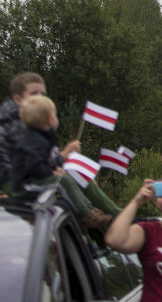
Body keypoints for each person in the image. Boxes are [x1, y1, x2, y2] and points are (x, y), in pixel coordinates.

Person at [8, 95, 119, 228]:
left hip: (30, 181)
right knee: (62, 181)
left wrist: (53, 168)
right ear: (50, 120)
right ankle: (86, 214)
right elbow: (34, 166)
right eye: (55, 115)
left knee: (64, 178)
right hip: (25, 187)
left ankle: (89, 209)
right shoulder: (35, 141)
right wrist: (54, 168)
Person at [1, 72, 79, 192]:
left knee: (76, 175)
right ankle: (105, 210)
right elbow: (34, 162)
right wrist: (65, 154)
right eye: (34, 93)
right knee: (71, 178)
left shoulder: (27, 120)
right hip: (14, 182)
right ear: (18, 99)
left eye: (43, 94)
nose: (41, 97)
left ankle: (103, 209)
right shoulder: (19, 123)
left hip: (28, 176)